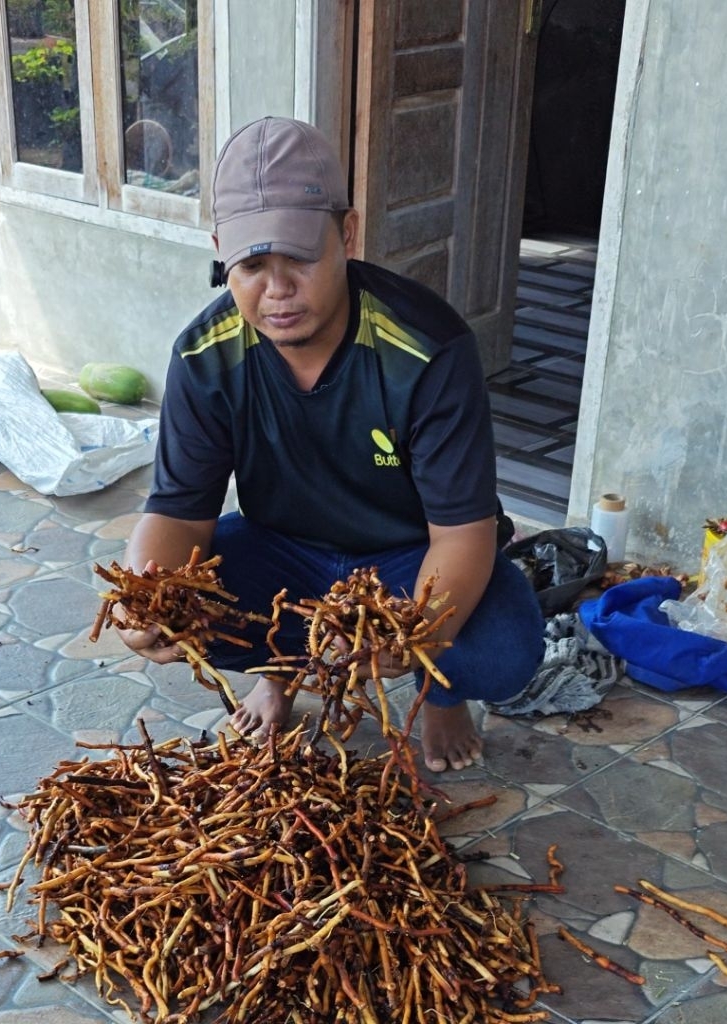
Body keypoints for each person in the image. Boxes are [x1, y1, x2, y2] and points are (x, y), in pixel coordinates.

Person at [115, 115, 545, 772]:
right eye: (253, 265)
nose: (277, 290)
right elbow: (176, 509)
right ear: (221, 252)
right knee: (190, 602)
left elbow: (463, 534)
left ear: (346, 235)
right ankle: (280, 674)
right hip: (283, 551)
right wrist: (145, 597)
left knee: (500, 649)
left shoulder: (428, 351)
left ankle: (442, 694)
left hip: (408, 555)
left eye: (300, 259)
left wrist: (416, 633)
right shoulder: (205, 356)